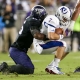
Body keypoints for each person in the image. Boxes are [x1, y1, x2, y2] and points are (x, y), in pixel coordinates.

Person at [33, 2, 80, 74]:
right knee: (63, 44)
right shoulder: (53, 19)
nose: (66, 21)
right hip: (40, 44)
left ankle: (51, 66)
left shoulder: (62, 22)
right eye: (64, 19)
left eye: (67, 19)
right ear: (59, 15)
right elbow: (51, 36)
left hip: (47, 43)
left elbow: (76, 10)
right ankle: (54, 67)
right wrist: (61, 35)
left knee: (68, 48)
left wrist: (71, 24)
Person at [0, 5, 48, 74]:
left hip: (18, 49)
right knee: (28, 68)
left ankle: (4, 67)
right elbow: (36, 35)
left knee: (27, 67)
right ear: (38, 14)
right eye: (43, 15)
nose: (44, 17)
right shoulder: (33, 21)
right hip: (17, 50)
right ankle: (6, 68)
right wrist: (48, 36)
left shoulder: (31, 19)